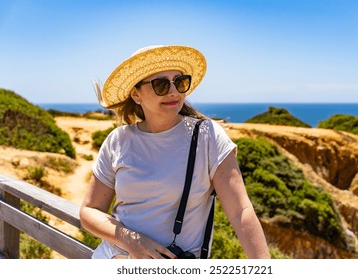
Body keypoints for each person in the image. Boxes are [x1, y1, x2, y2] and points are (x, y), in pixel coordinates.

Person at [79, 45, 270, 259]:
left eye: (179, 82)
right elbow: (89, 211)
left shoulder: (207, 136)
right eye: (160, 84)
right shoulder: (118, 140)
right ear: (136, 94)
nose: (173, 91)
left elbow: (240, 212)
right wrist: (129, 239)